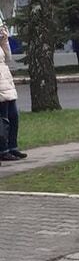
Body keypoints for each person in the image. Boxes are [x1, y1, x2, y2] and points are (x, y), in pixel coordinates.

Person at [0, 24, 27, 164]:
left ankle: (12, 146)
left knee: (13, 116)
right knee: (3, 118)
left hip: (5, 79)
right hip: (1, 83)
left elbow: (8, 56)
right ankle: (3, 150)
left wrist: (4, 39)